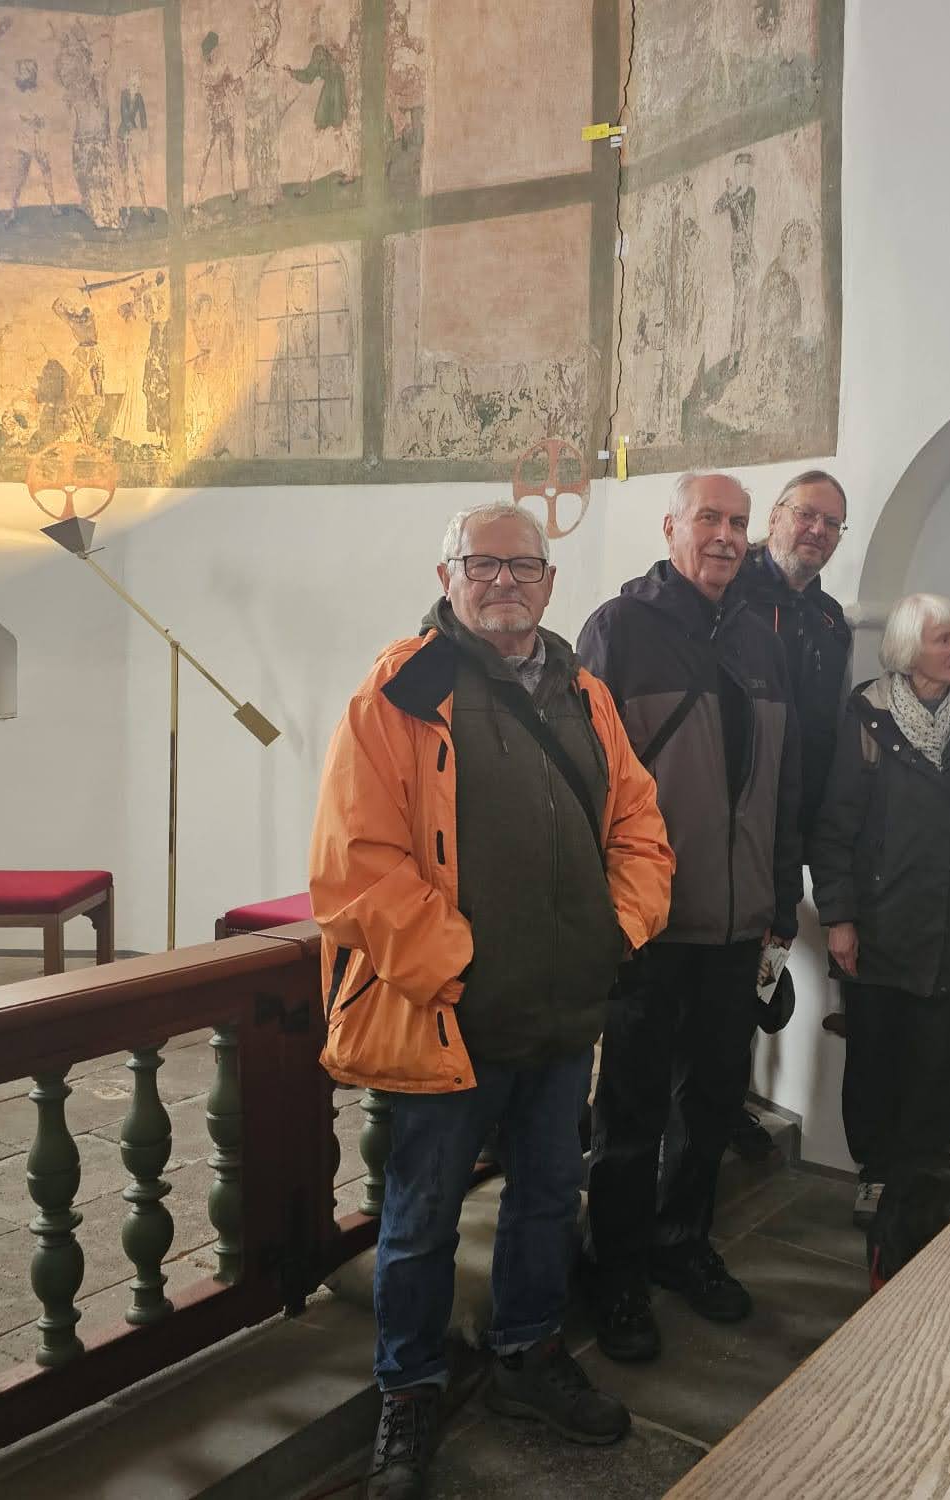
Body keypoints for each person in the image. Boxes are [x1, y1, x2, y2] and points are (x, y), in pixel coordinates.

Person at [309, 503, 674, 1498]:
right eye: (483, 563)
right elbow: (354, 863)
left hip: (562, 1015)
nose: (503, 580)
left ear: (551, 584)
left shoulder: (582, 692)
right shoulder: (407, 685)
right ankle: (409, 1389)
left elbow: (639, 824)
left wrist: (616, 931)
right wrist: (454, 965)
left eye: (523, 565)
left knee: (550, 1197)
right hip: (451, 1015)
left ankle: (523, 1354)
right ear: (447, 573)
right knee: (421, 1217)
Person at [577, 471, 802, 1362]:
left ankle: (680, 1245)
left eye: (739, 523)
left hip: (737, 923)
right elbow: (585, 780)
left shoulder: (759, 637)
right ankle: (617, 1271)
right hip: (651, 923)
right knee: (628, 1117)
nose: (725, 535)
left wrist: (780, 897)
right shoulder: (620, 628)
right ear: (670, 525)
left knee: (710, 1105)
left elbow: (784, 785)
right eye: (708, 517)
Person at [810, 592, 950, 1224]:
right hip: (878, 926)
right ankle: (874, 1175)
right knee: (875, 1058)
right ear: (906, 649)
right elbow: (835, 825)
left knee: (939, 1062)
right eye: (943, 639)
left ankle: (925, 1182)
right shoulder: (866, 714)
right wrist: (838, 916)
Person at [730, 468, 856, 1159]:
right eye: (806, 515)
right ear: (775, 516)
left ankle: (729, 1100)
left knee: (762, 961)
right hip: (733, 814)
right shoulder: (731, 590)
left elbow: (830, 727)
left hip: (793, 820)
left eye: (832, 523)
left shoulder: (832, 620)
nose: (817, 532)